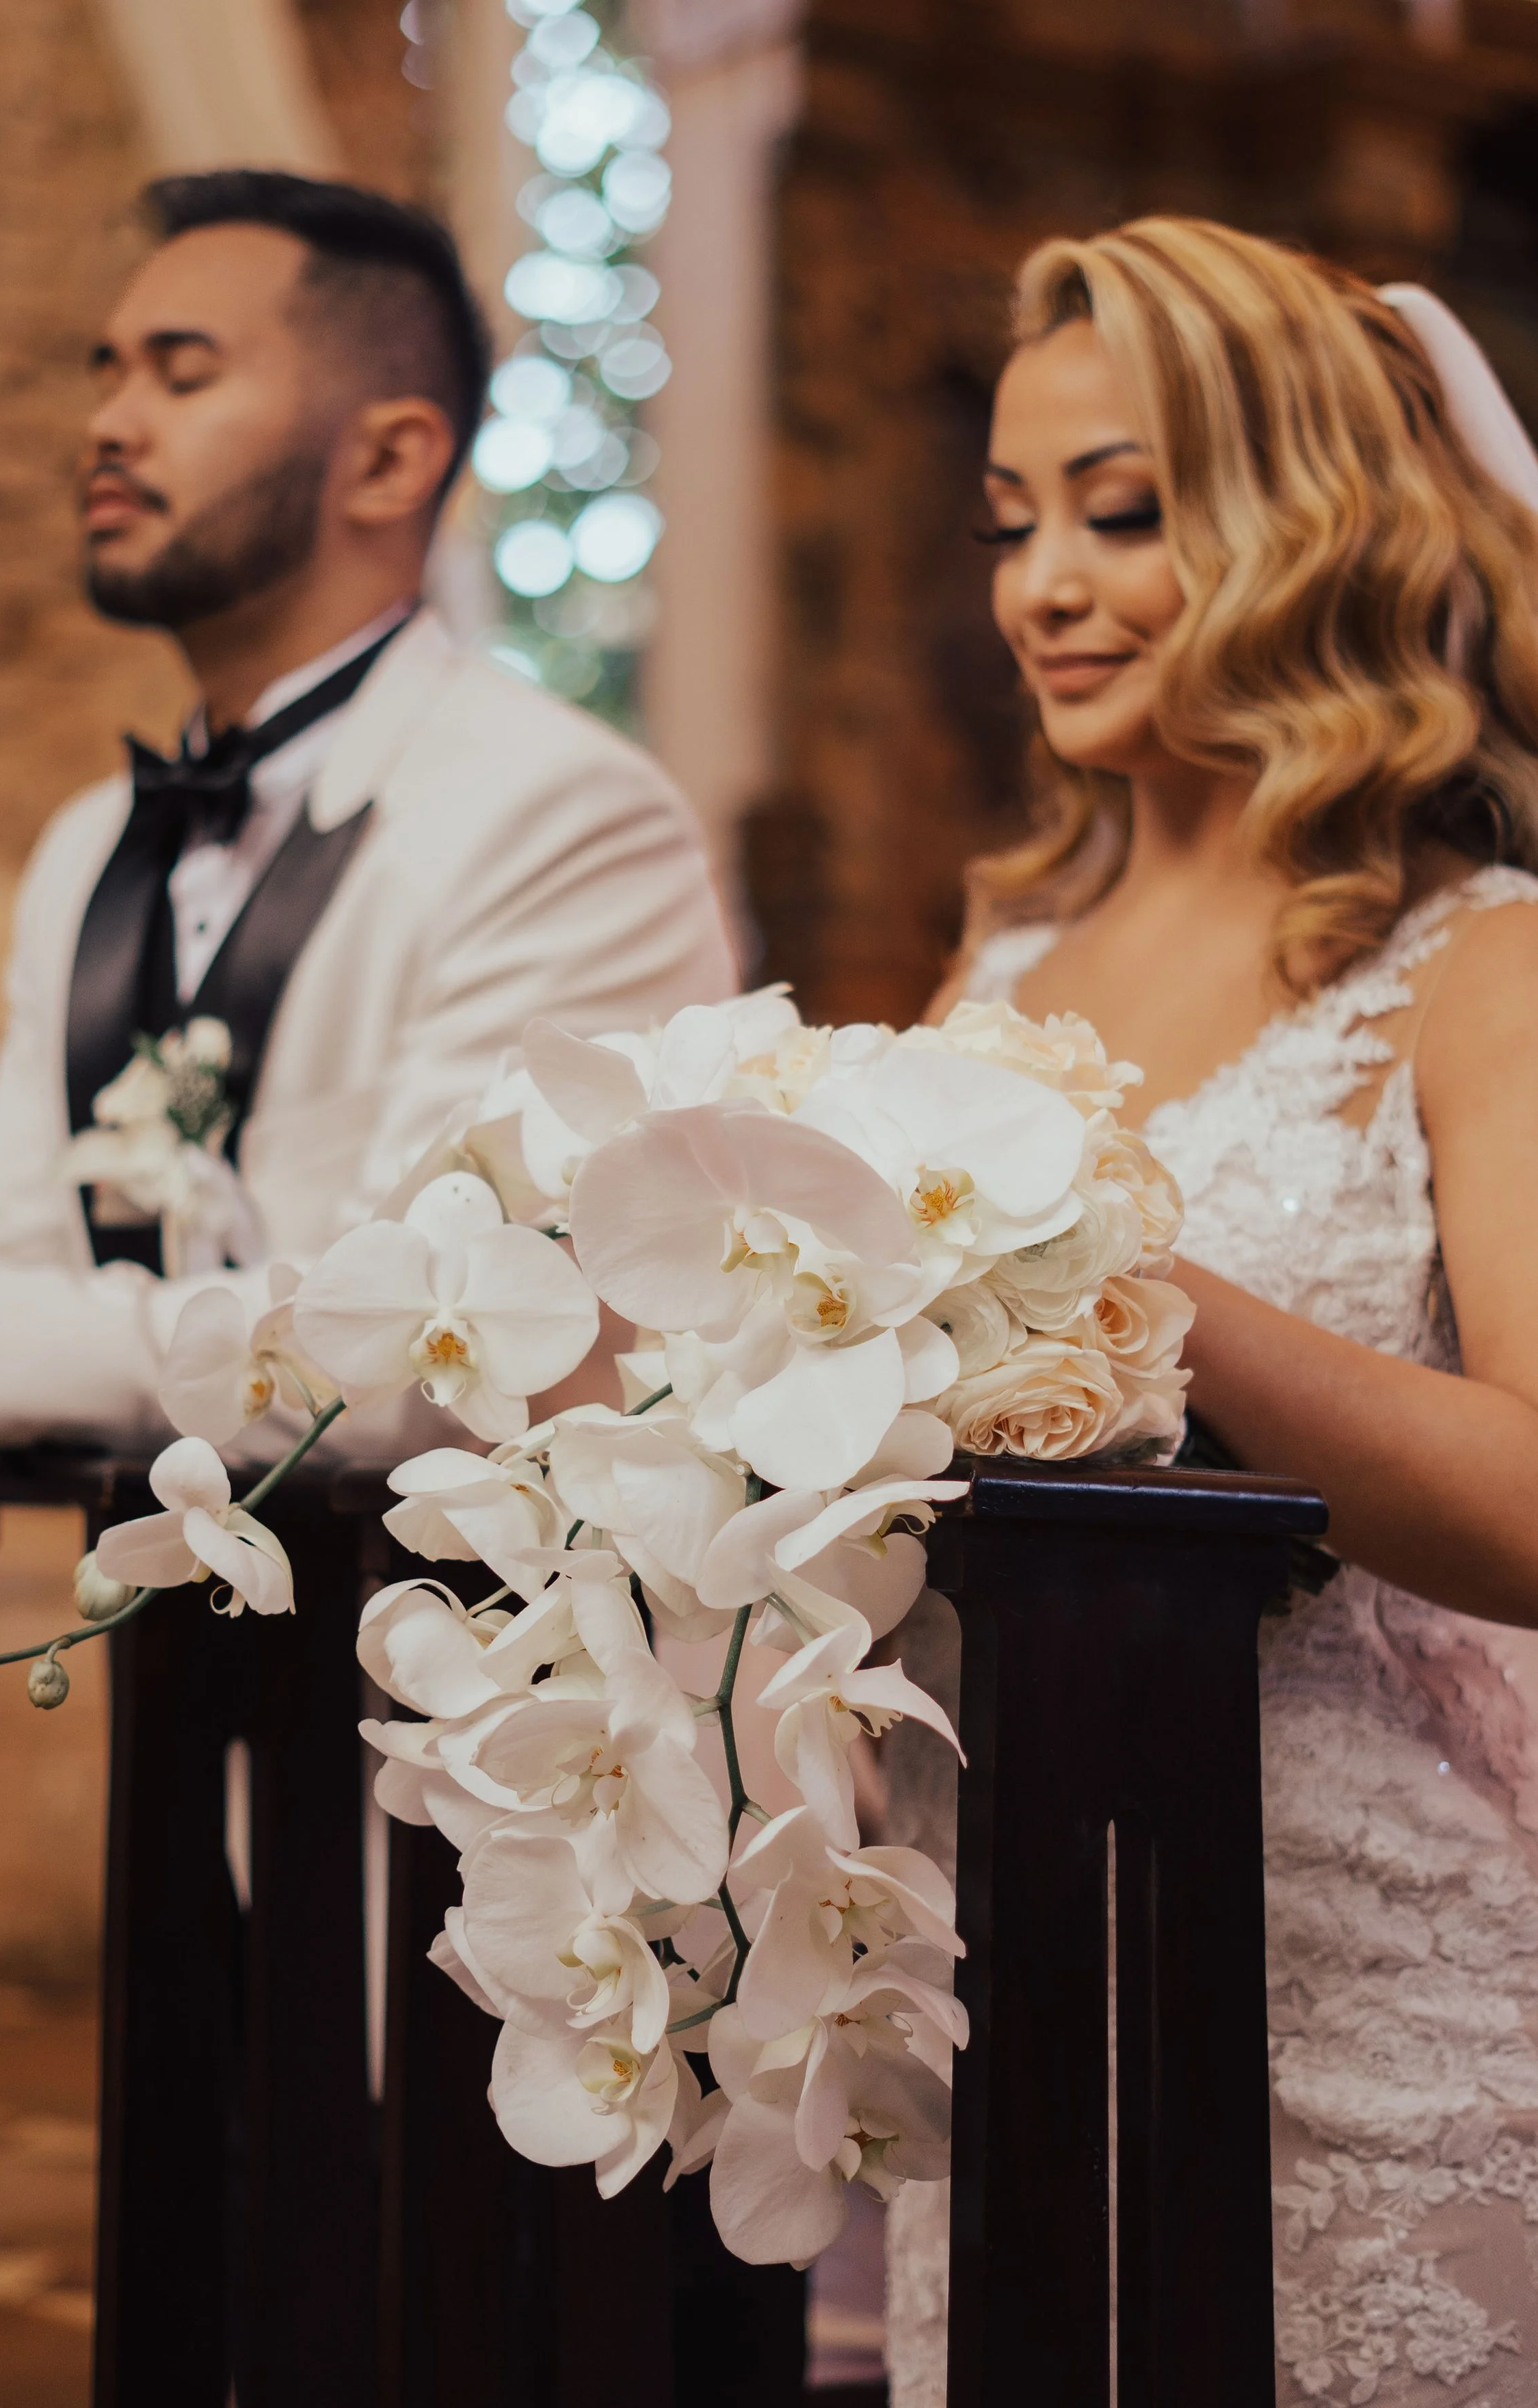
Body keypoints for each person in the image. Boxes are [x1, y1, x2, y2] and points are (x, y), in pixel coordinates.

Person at [886, 215, 1538, 2407]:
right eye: (1013, 521)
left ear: (1310, 520)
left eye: (1124, 512)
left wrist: (1122, 1294)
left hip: (1368, 1996)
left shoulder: (1475, 965)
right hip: (1009, 1958)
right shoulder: (989, 973)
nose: (1040, 586)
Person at [0, 171, 734, 1483]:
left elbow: (430, 1347)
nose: (107, 426)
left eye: (180, 378)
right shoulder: (91, 841)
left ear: (387, 458)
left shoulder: (569, 815)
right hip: (155, 1636)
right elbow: (0, 1267)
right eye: (108, 376)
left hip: (461, 1637)